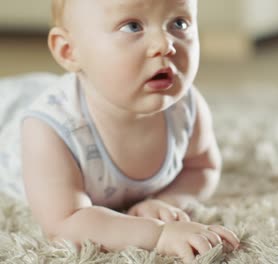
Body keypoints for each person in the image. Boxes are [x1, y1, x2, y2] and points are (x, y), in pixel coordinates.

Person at [20, 0, 240, 262]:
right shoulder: (49, 130)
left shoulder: (187, 108)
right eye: (132, 26)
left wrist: (168, 202)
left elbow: (202, 167)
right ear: (69, 51)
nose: (164, 45)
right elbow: (64, 223)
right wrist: (158, 234)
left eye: (179, 23)